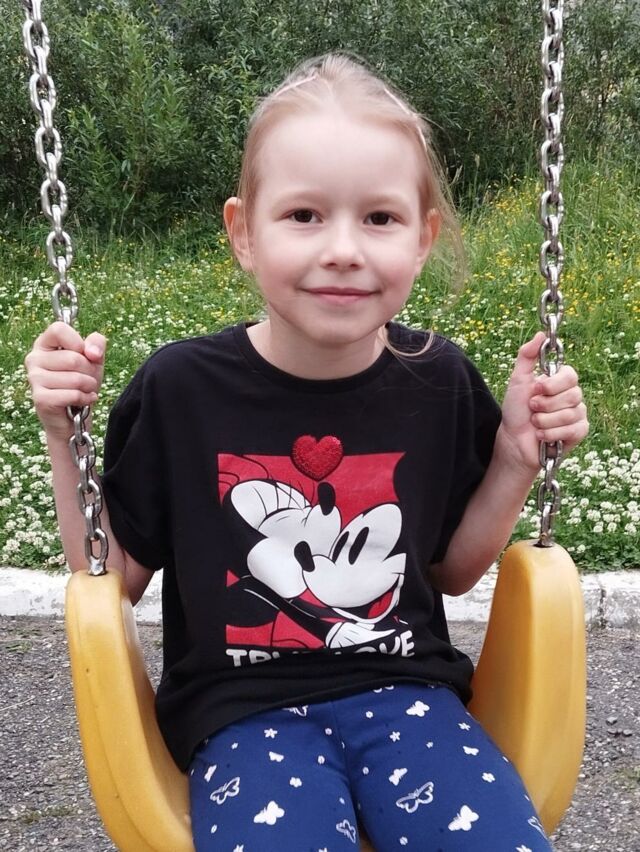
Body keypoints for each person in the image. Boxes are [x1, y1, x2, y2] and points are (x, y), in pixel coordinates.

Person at [26, 54, 588, 851]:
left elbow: (452, 570)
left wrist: (516, 456)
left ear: (423, 239)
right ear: (243, 234)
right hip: (240, 714)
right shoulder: (181, 390)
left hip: (411, 698)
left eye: (380, 219)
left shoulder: (439, 380)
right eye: (304, 216)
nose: (344, 249)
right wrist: (64, 436)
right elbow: (112, 578)